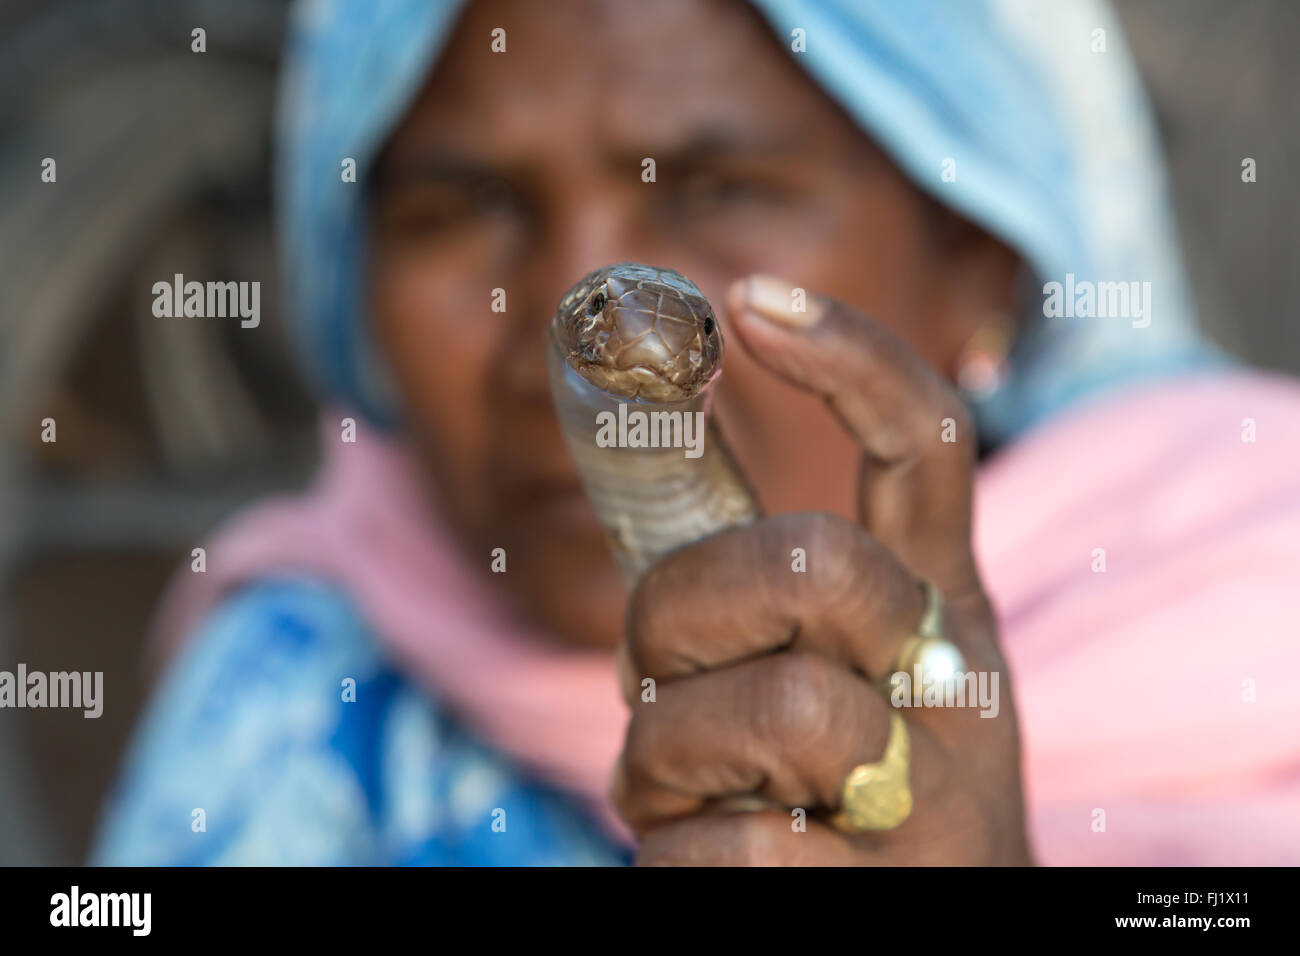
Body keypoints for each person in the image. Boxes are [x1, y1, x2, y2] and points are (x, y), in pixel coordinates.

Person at [93, 0, 1300, 866]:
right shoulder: (298, 695)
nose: (580, 338)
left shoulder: (1258, 615)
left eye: (721, 192)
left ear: (978, 256)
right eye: (462, 208)